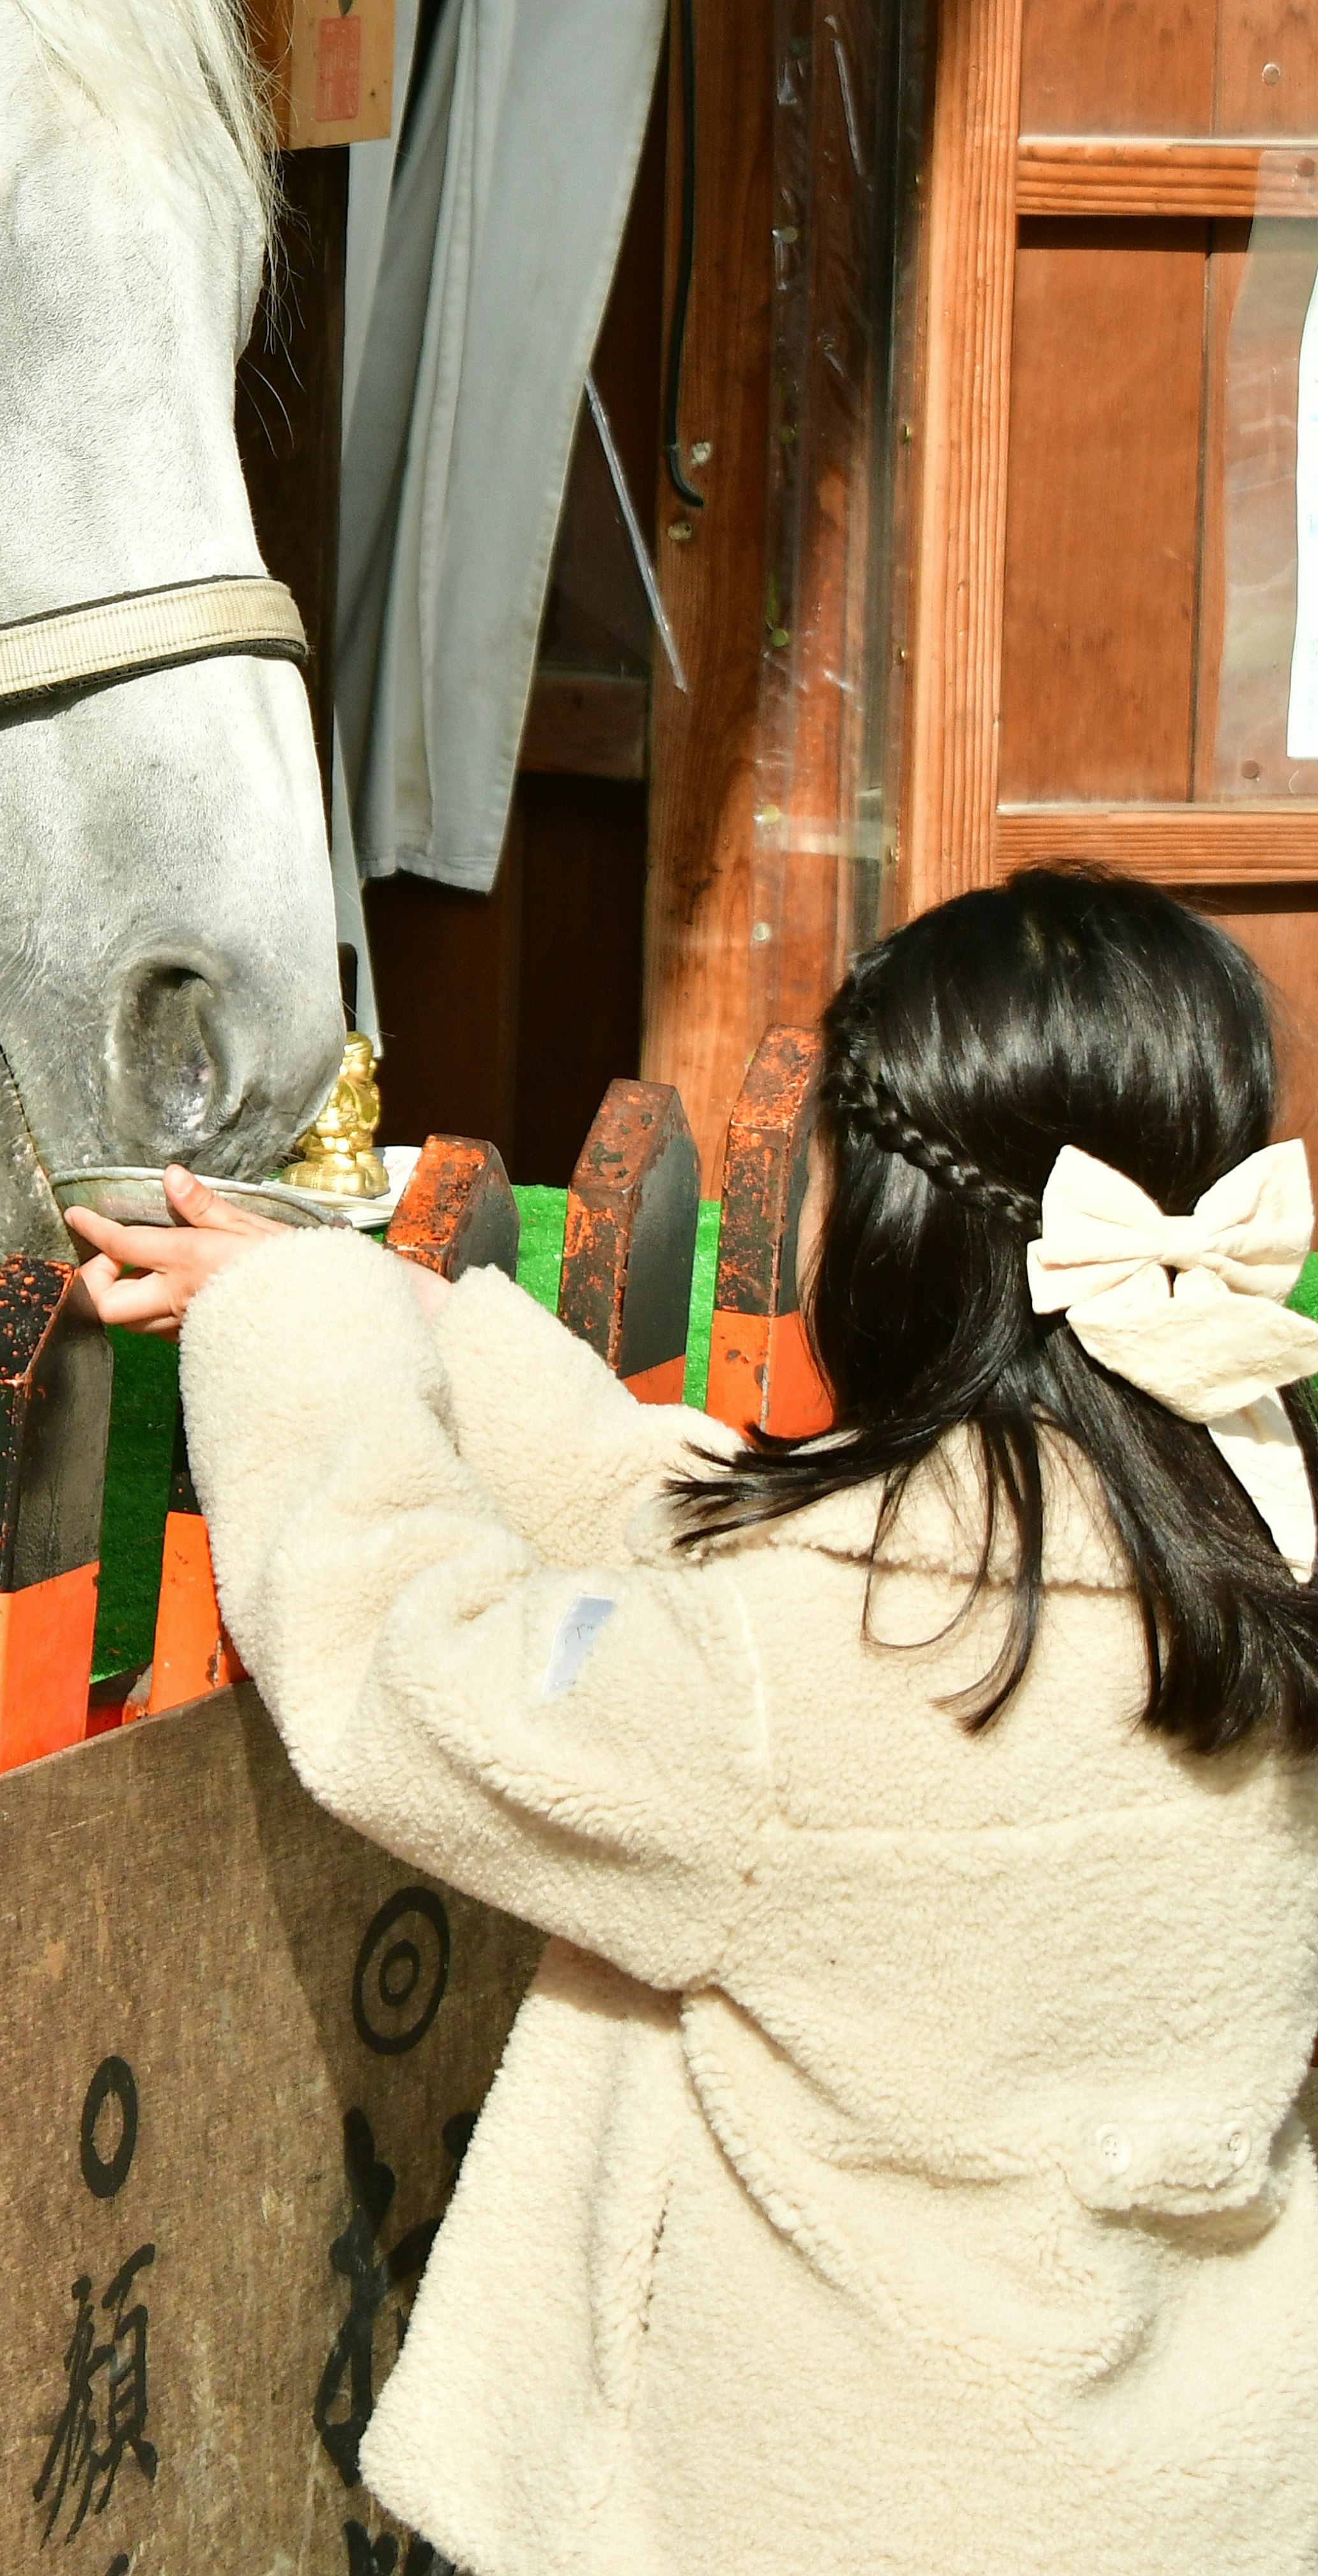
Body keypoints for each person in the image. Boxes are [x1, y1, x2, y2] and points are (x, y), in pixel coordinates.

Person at [65, 869, 1318, 2576]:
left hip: (831, 2513)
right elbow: (780, 1559)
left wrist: (304, 1332)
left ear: (886, 1225)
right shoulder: (1237, 1517)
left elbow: (417, 1668)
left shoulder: (799, 1687)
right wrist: (441, 1331)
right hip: (1179, 2492)